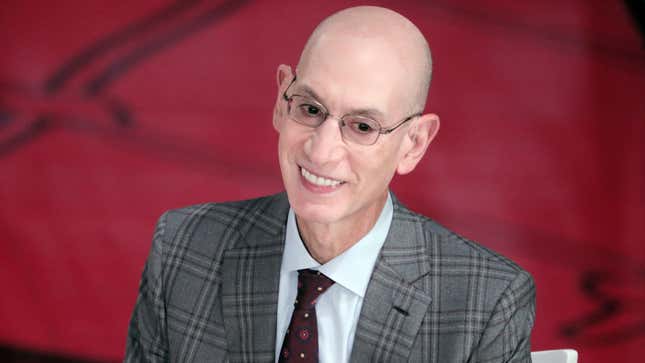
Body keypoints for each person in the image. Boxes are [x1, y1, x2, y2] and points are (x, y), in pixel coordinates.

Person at [125, 6, 535, 363]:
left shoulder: (484, 303)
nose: (321, 152)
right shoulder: (183, 249)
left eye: (361, 126)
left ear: (414, 144)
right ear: (280, 100)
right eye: (309, 108)